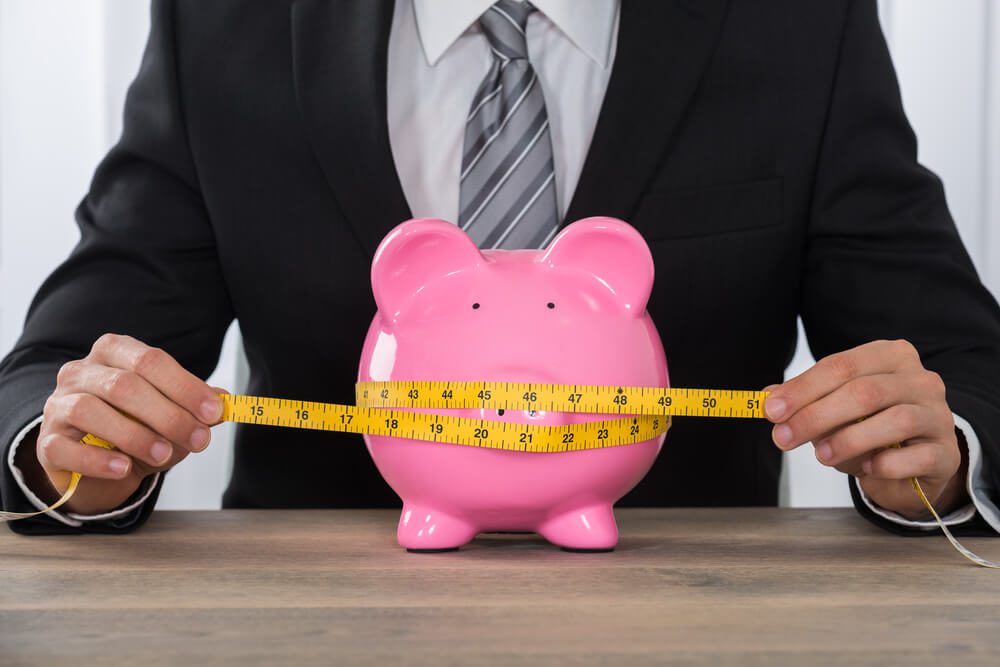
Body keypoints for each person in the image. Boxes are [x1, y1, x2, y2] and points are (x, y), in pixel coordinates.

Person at [2, 0, 999, 537]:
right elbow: (46, 373)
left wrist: (940, 452)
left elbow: (967, 370)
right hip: (308, 627)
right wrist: (75, 454)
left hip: (691, 627)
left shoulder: (796, 22)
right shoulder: (221, 21)